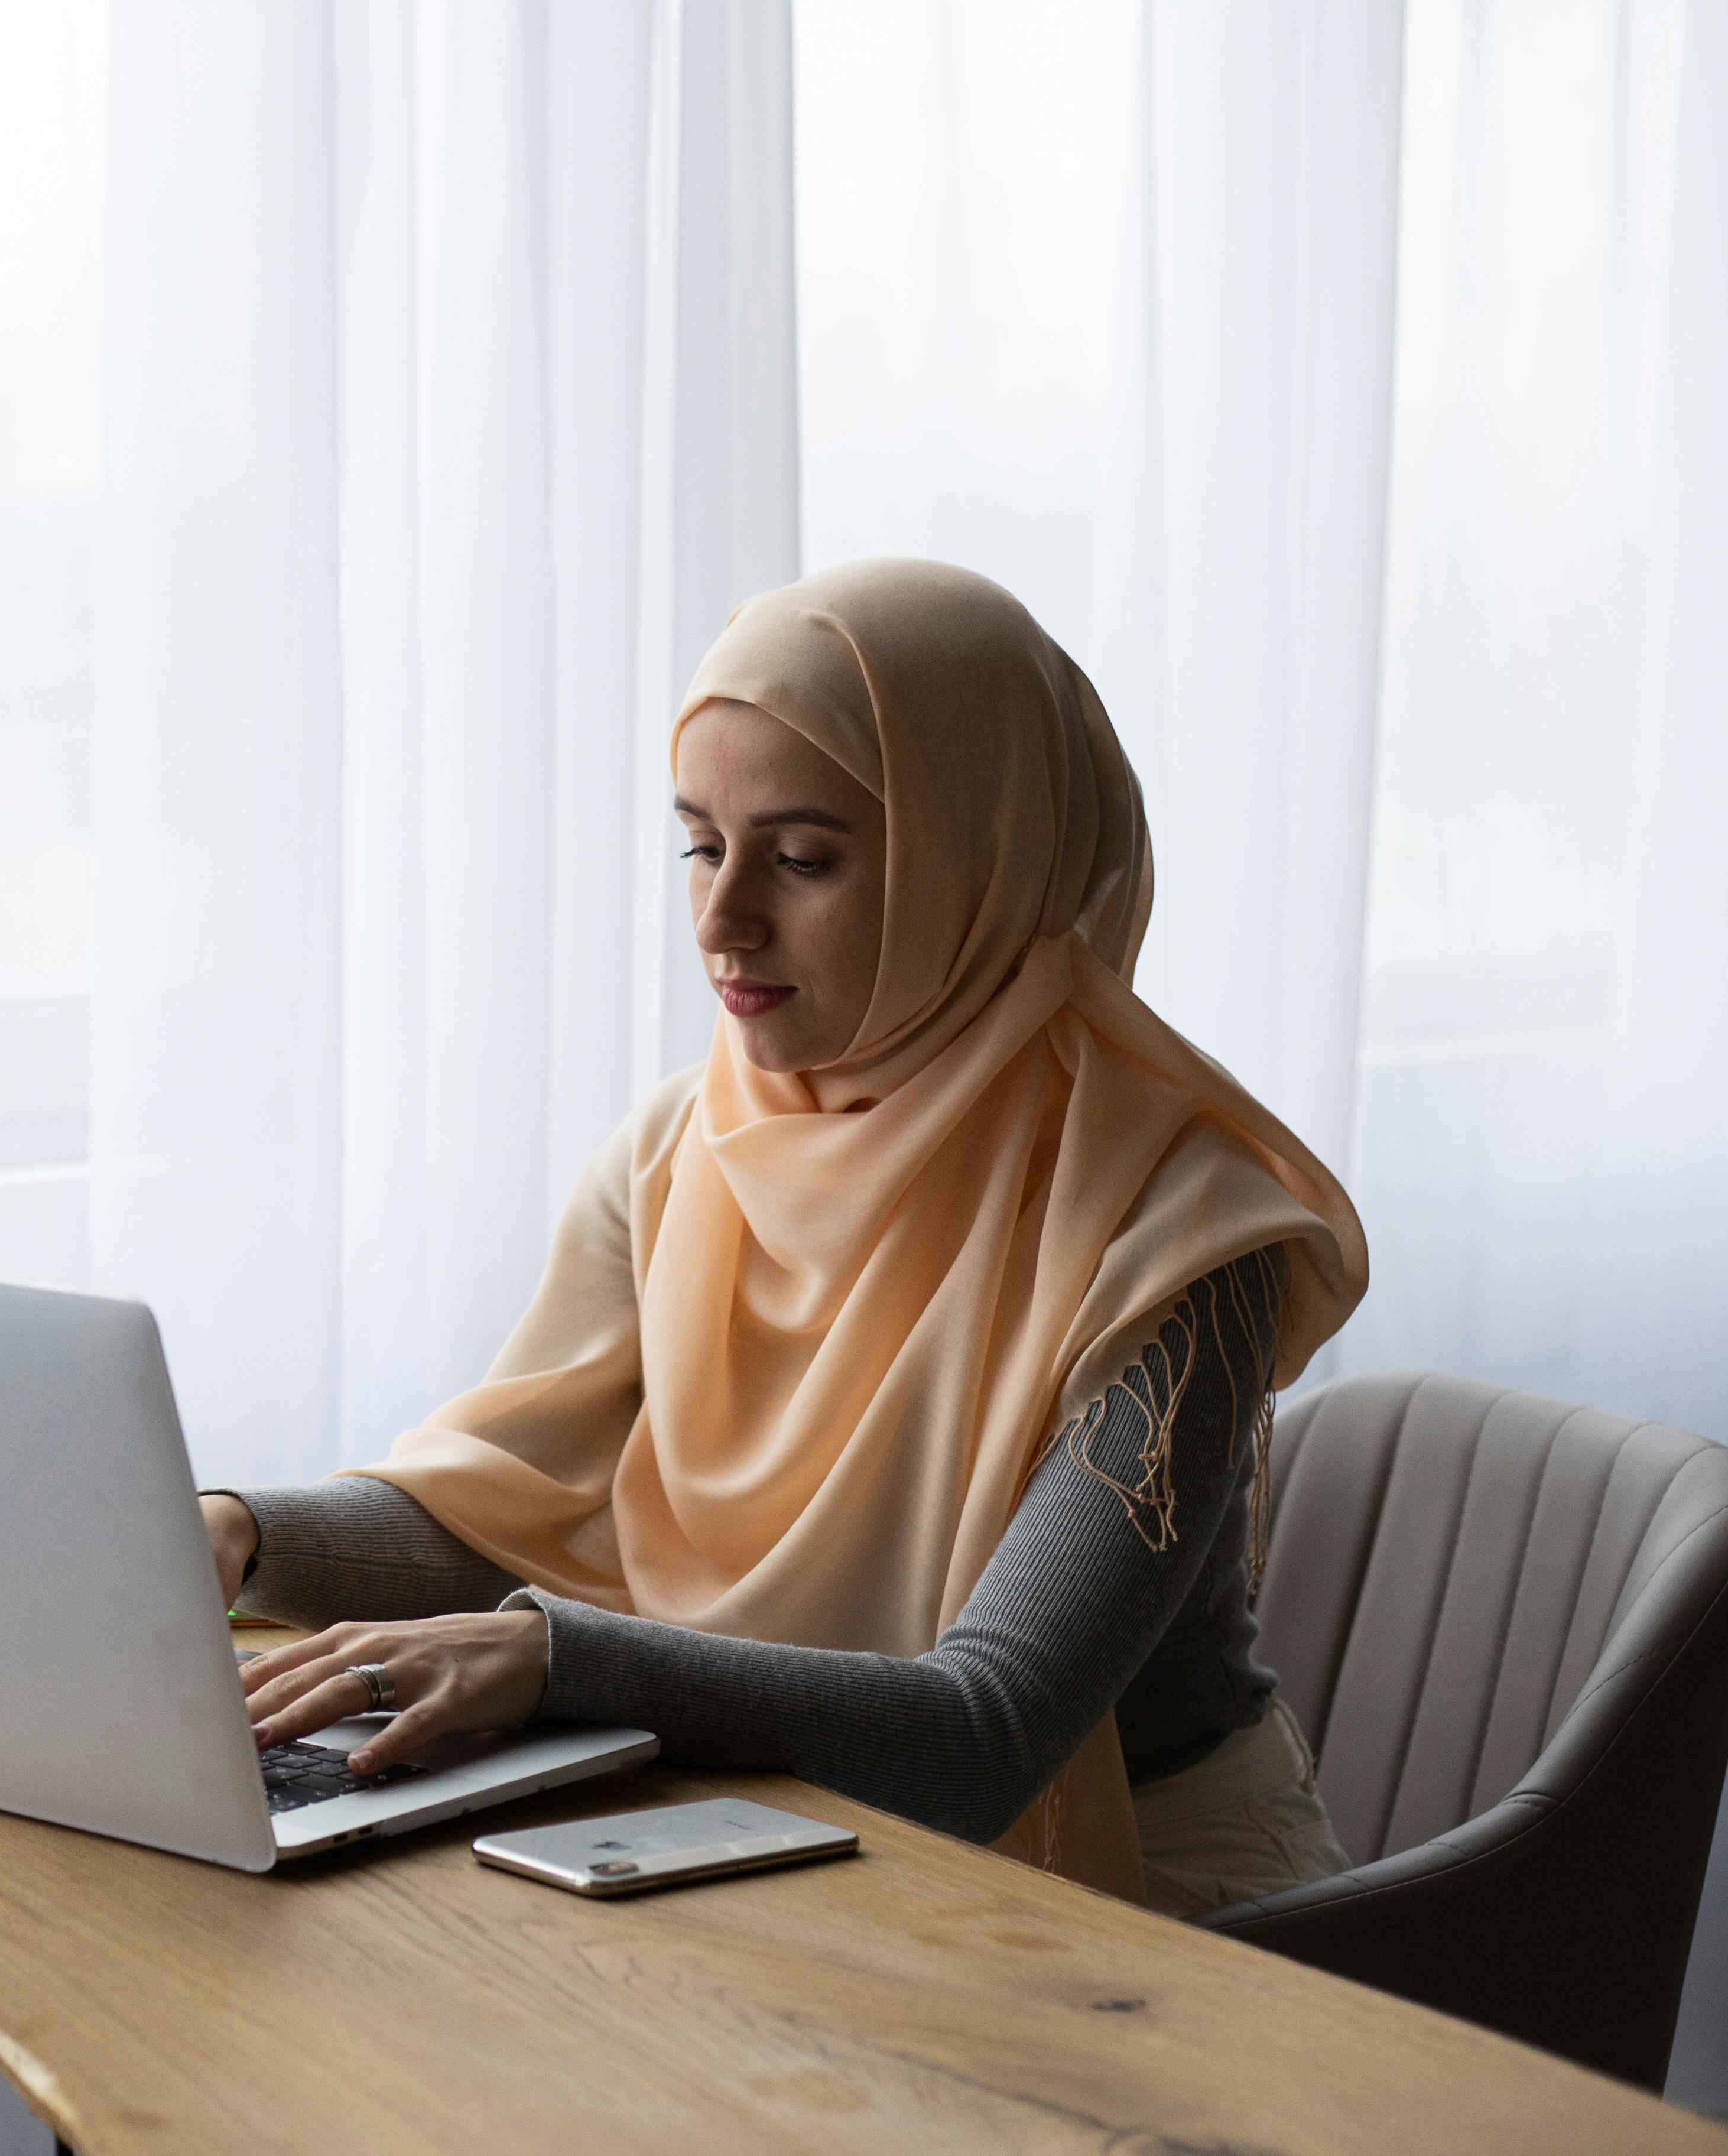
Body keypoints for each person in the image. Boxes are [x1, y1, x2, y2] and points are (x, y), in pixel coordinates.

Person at [201, 559, 1369, 1913]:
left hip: (1170, 1923)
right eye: (700, 843)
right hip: (786, 1844)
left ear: (982, 864)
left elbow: (987, 1731)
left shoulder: (1177, 1225)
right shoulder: (678, 1156)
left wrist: (561, 1661)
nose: (721, 918)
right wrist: (236, 1534)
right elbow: (510, 1514)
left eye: (803, 858)